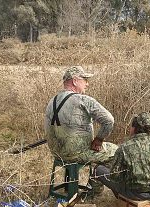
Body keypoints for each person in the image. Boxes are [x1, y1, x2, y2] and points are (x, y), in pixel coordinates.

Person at [45, 66, 118, 194]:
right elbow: (109, 121)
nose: (87, 84)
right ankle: (95, 189)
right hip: (77, 154)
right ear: (74, 81)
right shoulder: (83, 100)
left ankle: (76, 186)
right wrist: (99, 139)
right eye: (84, 79)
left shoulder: (52, 100)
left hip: (56, 153)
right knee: (117, 152)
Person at [94, 112, 150, 201]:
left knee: (97, 169)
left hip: (136, 194)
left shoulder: (125, 147)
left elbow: (115, 177)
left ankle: (94, 194)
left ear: (134, 128)